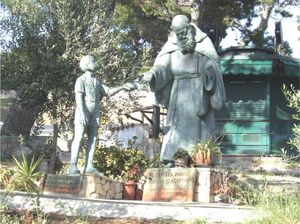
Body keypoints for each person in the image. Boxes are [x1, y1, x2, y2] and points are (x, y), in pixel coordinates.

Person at [142, 15, 226, 167]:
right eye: (177, 34)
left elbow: (213, 63)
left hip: (199, 93)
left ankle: (200, 159)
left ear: (189, 28)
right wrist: (152, 74)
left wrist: (209, 73)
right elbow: (163, 67)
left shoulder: (203, 43)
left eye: (183, 32)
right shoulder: (171, 46)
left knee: (201, 127)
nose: (180, 36)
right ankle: (171, 159)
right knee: (175, 129)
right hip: (178, 92)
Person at [69, 55, 136, 175]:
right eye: (94, 61)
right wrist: (83, 113)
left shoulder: (97, 81)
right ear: (87, 64)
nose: (96, 63)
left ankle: (89, 166)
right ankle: (73, 166)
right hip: (82, 111)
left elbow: (109, 92)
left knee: (93, 139)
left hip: (95, 112)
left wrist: (123, 86)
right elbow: (78, 97)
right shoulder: (81, 80)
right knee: (78, 138)